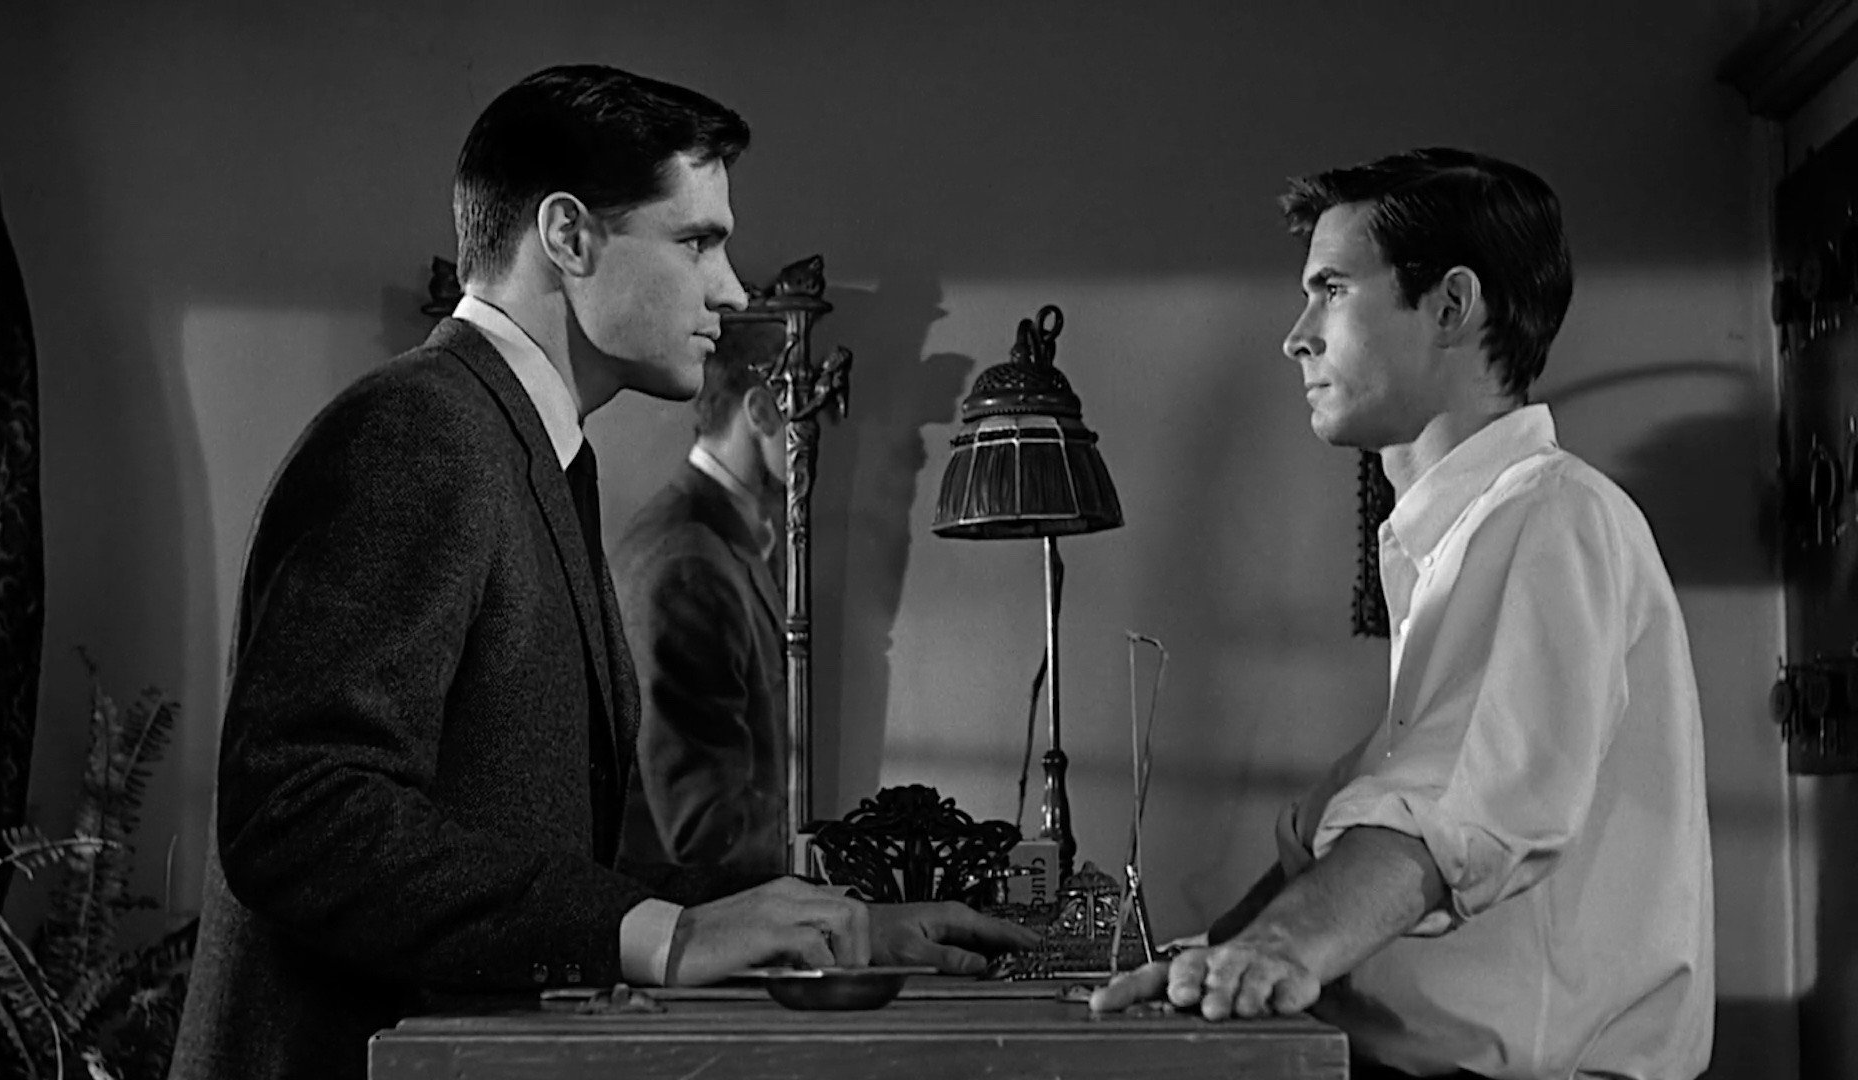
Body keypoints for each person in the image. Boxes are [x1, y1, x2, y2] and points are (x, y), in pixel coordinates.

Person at [170, 64, 1035, 1080]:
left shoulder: (522, 448)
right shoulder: (417, 434)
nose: (731, 290)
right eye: (696, 241)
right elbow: (300, 818)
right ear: (569, 237)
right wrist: (669, 935)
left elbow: (537, 866)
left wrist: (830, 927)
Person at [1091, 148, 1713, 1080]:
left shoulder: (1551, 515)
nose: (1297, 337)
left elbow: (1450, 803)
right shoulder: (1465, 544)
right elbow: (1350, 822)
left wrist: (1280, 948)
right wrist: (1212, 957)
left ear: (1452, 306)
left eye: (1333, 290)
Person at [616, 339, 791, 876]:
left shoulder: (715, 538)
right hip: (697, 911)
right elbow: (703, 828)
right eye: (805, 419)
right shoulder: (690, 561)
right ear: (760, 411)